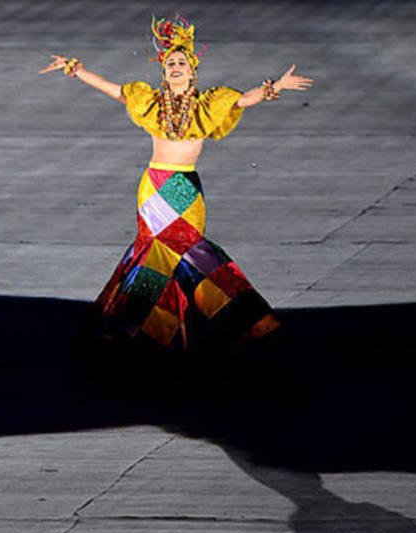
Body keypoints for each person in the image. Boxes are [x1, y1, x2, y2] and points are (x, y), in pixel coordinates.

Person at [40, 15, 312, 351]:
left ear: (193, 70)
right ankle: (139, 329)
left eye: (182, 62)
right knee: (153, 253)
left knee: (192, 253)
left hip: (185, 189)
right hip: (153, 187)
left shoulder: (208, 104)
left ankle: (227, 321)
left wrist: (275, 87)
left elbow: (243, 99)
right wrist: (74, 68)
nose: (176, 66)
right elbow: (112, 89)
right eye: (170, 63)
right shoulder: (149, 101)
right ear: (164, 70)